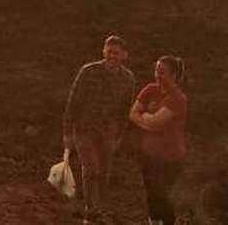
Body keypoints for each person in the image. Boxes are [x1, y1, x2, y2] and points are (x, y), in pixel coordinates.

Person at [63, 35, 137, 222]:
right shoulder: (88, 71)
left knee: (104, 172)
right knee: (91, 169)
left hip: (109, 132)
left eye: (116, 53)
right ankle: (91, 210)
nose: (112, 56)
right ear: (103, 51)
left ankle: (99, 208)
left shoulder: (128, 79)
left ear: (124, 55)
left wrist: (119, 134)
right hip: (84, 129)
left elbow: (125, 109)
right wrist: (67, 132)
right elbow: (73, 102)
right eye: (109, 51)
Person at [129, 56, 189, 225]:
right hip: (148, 153)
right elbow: (132, 114)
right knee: (151, 195)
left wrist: (145, 118)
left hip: (170, 156)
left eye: (162, 72)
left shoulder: (178, 98)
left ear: (175, 76)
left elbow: (156, 122)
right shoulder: (150, 89)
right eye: (156, 70)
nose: (157, 75)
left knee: (164, 196)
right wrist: (147, 120)